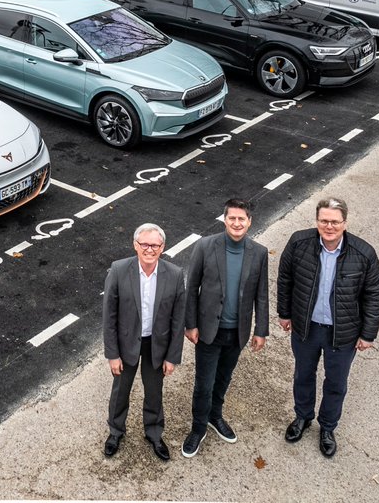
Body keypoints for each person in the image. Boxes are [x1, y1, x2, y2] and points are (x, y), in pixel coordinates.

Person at [278, 196, 379, 458]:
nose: (329, 226)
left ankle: (327, 427)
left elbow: (373, 294)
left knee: (336, 382)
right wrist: (284, 313)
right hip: (306, 327)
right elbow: (285, 279)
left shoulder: (364, 253)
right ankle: (303, 418)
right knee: (303, 375)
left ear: (345, 223)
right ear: (316, 221)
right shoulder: (298, 243)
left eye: (335, 222)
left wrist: (368, 333)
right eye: (324, 221)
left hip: (343, 333)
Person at [180, 198, 269, 458]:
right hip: (208, 330)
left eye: (242, 219)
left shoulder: (259, 252)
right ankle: (198, 428)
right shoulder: (205, 246)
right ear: (224, 219)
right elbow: (191, 287)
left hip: (237, 332)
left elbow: (261, 295)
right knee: (203, 384)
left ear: (250, 222)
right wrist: (191, 324)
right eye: (232, 218)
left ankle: (214, 416)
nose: (237, 223)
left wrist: (260, 330)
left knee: (224, 378)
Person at [102, 223, 187, 461]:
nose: (149, 249)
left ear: (163, 247)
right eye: (144, 244)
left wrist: (172, 357)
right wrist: (112, 354)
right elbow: (109, 315)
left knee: (154, 392)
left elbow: (178, 320)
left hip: (155, 345)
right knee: (120, 391)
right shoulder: (118, 270)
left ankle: (154, 433)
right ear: (135, 245)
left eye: (155, 245)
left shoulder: (175, 274)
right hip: (125, 344)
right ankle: (115, 432)